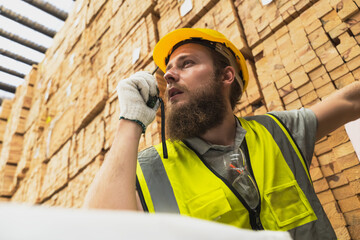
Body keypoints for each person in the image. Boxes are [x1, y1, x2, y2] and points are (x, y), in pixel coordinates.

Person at [83, 28, 360, 239]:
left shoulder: (276, 132)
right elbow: (97, 230)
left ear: (226, 76)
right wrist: (130, 121)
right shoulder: (152, 168)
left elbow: (351, 101)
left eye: (186, 63)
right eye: (168, 70)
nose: (169, 76)